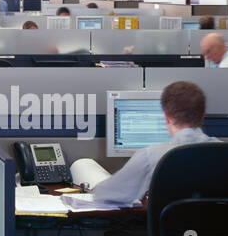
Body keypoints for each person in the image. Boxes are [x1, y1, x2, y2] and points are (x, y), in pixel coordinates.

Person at [85, 82, 218, 208]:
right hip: (223, 232)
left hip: (171, 231)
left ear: (166, 117)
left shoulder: (151, 155)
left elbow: (106, 194)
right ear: (203, 116)